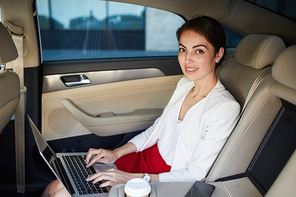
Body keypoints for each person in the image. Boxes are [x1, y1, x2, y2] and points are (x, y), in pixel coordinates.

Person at [42, 16, 240, 197]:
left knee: (63, 194)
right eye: (182, 49)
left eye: (199, 51)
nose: (187, 59)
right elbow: (156, 129)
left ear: (218, 54)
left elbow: (195, 174)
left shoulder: (224, 108)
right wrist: (116, 153)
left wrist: (132, 178)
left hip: (165, 179)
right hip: (144, 158)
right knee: (55, 185)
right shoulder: (185, 84)